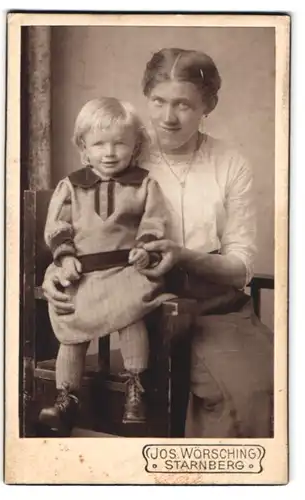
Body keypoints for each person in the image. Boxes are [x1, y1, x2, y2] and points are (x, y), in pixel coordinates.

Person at [42, 48, 274, 438]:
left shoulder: (230, 163)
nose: (168, 117)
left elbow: (240, 265)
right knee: (233, 394)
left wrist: (184, 256)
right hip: (135, 297)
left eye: (184, 104)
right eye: (158, 101)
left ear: (208, 106)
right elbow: (83, 225)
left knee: (273, 385)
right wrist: (56, 267)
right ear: (145, 98)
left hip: (210, 302)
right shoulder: (121, 146)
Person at [38, 97, 176, 432]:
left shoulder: (144, 184)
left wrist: (146, 249)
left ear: (136, 146)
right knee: (71, 328)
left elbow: (154, 222)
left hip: (125, 269)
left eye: (120, 143)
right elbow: (57, 226)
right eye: (99, 144)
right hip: (83, 272)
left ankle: (135, 387)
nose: (110, 152)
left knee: (131, 317)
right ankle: (66, 397)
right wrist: (65, 255)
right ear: (84, 148)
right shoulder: (71, 186)